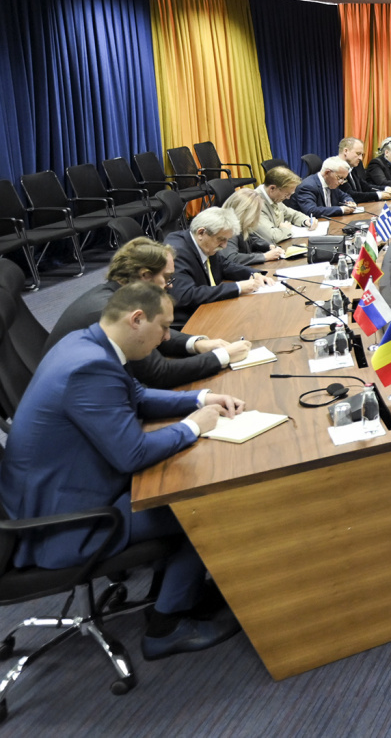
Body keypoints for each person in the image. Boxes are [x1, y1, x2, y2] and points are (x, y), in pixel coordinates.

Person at [1, 282, 246, 660]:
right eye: (163, 327)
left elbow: (137, 396)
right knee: (201, 504)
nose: (167, 337)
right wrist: (193, 427)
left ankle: (180, 591)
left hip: (54, 492)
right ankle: (166, 626)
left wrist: (201, 398)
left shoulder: (86, 342)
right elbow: (131, 455)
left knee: (180, 480)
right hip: (63, 526)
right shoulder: (89, 368)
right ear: (137, 319)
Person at [43, 238, 252, 387]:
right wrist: (223, 356)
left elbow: (157, 334)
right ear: (145, 276)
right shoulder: (112, 313)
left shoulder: (117, 294)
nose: (170, 285)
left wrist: (197, 344)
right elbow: (159, 373)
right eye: (167, 278)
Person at [165, 205, 270, 328]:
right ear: (201, 233)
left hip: (209, 309)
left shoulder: (204, 243)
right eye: (221, 239)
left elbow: (224, 265)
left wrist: (253, 273)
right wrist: (238, 287)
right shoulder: (177, 252)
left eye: (227, 240)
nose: (224, 246)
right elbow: (186, 295)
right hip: (189, 321)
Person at [219, 187, 284, 266]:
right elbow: (232, 258)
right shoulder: (227, 229)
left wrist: (269, 246)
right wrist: (264, 256)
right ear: (246, 213)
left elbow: (252, 240)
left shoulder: (240, 224)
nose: (258, 217)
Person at [255, 166, 316, 244]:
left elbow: (292, 214)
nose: (288, 198)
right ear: (272, 188)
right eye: (286, 194)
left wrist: (306, 220)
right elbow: (272, 237)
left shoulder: (274, 197)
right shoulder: (255, 203)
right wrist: (286, 229)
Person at [289, 156, 359, 218]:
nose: (341, 182)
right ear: (327, 172)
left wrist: (349, 202)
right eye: (340, 178)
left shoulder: (331, 182)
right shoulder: (307, 186)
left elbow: (344, 196)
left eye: (344, 179)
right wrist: (341, 209)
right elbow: (311, 211)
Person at [336, 137, 391, 202]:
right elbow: (351, 195)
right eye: (358, 154)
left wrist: (386, 189)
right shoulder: (336, 169)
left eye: (362, 155)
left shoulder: (352, 167)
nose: (361, 158)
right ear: (346, 151)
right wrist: (379, 195)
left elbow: (365, 187)